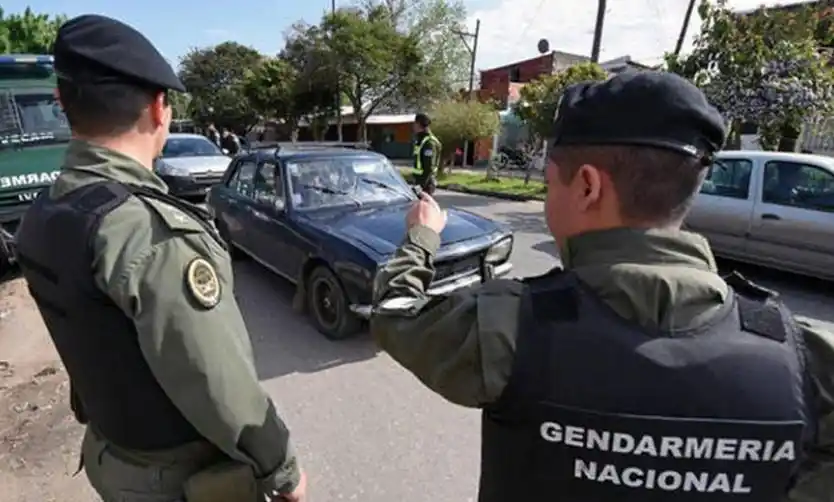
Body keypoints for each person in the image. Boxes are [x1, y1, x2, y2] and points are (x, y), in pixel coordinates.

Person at [370, 71, 834, 501]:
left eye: (550, 185)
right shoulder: (806, 360)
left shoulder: (508, 330)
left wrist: (422, 235)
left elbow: (395, 309)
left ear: (588, 187)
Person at [15, 14, 305, 502]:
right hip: (176, 481)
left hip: (113, 459)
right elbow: (217, 381)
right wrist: (283, 470)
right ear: (158, 108)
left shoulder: (48, 210)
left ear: (63, 103)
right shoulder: (149, 232)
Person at [412, 112, 441, 194]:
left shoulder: (429, 143)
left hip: (426, 184)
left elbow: (429, 167)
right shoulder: (421, 140)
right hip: (420, 181)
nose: (413, 126)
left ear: (418, 124)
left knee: (425, 206)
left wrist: (420, 187)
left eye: (415, 123)